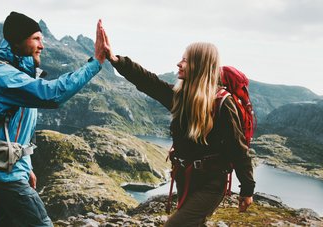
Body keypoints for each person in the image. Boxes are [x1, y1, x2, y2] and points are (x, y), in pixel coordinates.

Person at [97, 22, 255, 226]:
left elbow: (238, 149)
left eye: (185, 61)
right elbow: (148, 82)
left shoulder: (223, 104)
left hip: (211, 184)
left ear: (200, 66)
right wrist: (114, 59)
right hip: (185, 176)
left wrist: (247, 190)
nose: (178, 64)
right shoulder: (180, 97)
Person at [0, 12, 107, 226]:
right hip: (8, 176)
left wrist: (26, 166)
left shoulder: (17, 73)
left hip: (8, 171)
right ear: (18, 41)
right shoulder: (4, 75)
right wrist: (95, 62)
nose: (42, 45)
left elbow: (15, 129)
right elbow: (52, 95)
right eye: (36, 39)